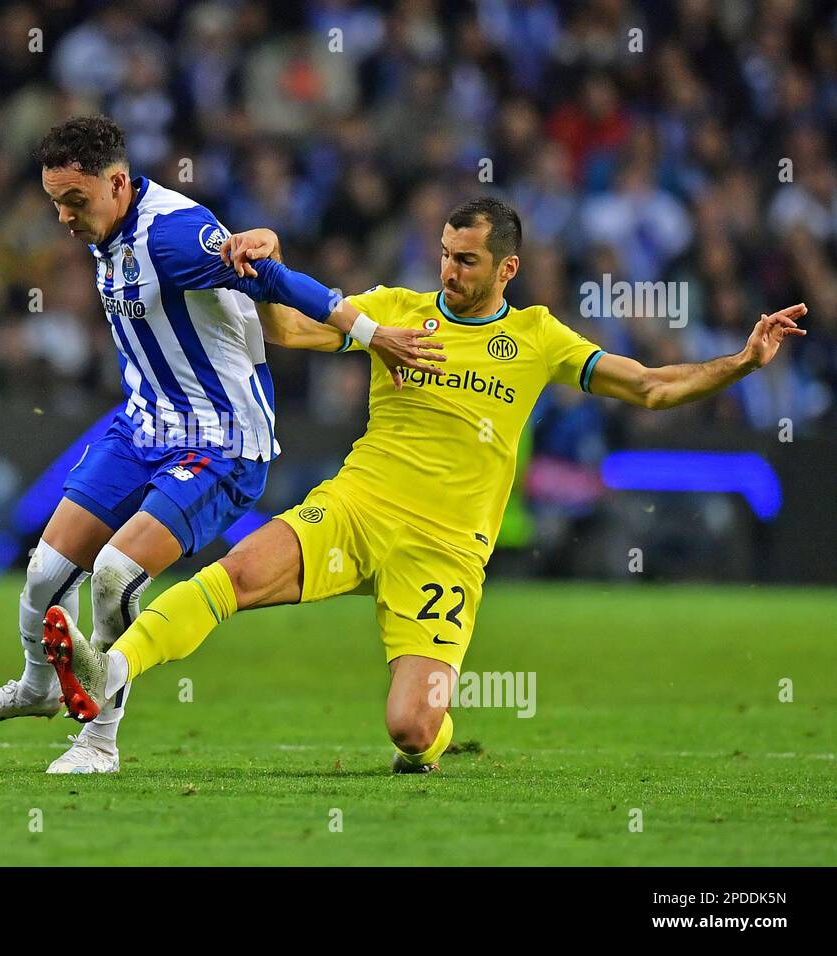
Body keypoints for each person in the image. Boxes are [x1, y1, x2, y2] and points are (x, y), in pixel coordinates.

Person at [39, 196, 807, 773]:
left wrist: (740, 363)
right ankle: (115, 669)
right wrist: (254, 260)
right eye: (444, 252)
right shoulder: (396, 313)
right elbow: (290, 327)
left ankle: (434, 737)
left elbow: (647, 386)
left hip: (445, 552)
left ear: (507, 268)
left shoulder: (536, 337)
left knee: (410, 727)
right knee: (233, 575)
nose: (449, 269)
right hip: (359, 506)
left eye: (467, 260)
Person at [0, 114, 379, 774]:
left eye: (74, 203)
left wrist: (369, 334)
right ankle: (40, 688)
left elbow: (272, 278)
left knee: (112, 576)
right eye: (56, 203)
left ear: (115, 184)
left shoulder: (174, 234)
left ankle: (99, 742)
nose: (64, 219)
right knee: (45, 575)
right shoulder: (105, 222)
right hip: (142, 427)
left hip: (220, 443)